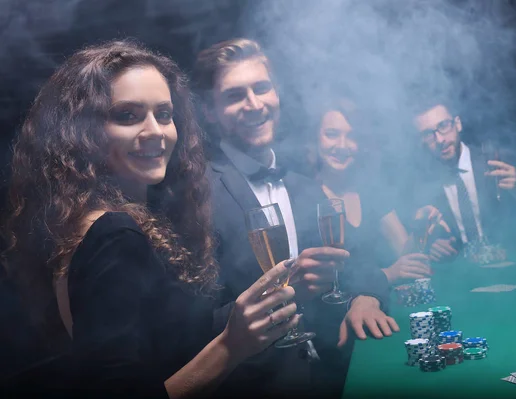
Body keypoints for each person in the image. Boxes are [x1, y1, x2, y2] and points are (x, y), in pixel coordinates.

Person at [2, 39, 300, 398]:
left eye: (163, 114)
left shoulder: (87, 220)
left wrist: (238, 318)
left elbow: (160, 338)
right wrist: (231, 347)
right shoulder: (114, 235)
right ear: (83, 131)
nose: (155, 131)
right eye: (127, 115)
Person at [192, 38, 398, 398]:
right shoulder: (195, 197)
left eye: (262, 88)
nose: (254, 104)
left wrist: (366, 296)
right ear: (210, 111)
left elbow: (355, 264)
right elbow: (190, 326)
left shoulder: (305, 186)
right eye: (235, 95)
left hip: (332, 377)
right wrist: (281, 296)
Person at [311, 96, 455, 283]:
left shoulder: (369, 192)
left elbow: (406, 257)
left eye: (352, 137)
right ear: (315, 138)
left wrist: (421, 226)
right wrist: (387, 274)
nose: (342, 146)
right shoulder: (305, 196)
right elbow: (323, 283)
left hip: (375, 306)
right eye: (331, 134)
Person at [409, 98, 516, 256]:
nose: (440, 140)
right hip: (463, 276)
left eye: (443, 126)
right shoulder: (421, 186)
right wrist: (431, 247)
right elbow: (417, 248)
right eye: (428, 134)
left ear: (458, 124)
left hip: (514, 265)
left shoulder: (498, 160)